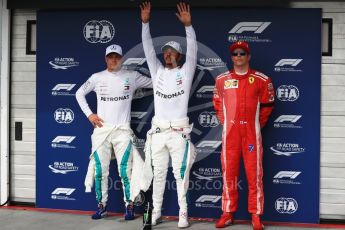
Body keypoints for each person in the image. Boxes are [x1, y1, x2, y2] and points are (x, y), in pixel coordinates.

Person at [75, 44, 152, 220]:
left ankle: (129, 205)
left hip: (122, 131)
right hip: (102, 131)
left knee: (126, 170)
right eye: (110, 56)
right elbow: (79, 93)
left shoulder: (132, 76)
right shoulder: (97, 77)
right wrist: (90, 115)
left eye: (117, 56)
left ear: (122, 58)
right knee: (100, 171)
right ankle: (101, 206)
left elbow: (157, 82)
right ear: (106, 59)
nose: (114, 59)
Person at [140, 2, 198, 228]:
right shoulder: (157, 72)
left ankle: (184, 214)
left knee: (180, 176)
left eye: (172, 51)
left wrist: (189, 26)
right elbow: (146, 48)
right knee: (158, 175)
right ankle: (155, 212)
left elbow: (193, 49)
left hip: (179, 134)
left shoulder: (186, 71)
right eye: (165, 51)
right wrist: (145, 23)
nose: (167, 54)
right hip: (158, 132)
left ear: (179, 55)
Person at [213, 41, 275, 230]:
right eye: (235, 54)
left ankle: (256, 215)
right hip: (230, 135)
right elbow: (217, 105)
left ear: (248, 56)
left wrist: (254, 126)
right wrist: (228, 124)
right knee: (229, 175)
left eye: (242, 53)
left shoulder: (261, 80)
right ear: (231, 58)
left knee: (254, 175)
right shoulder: (222, 80)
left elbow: (267, 107)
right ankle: (228, 213)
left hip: (250, 136)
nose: (238, 57)